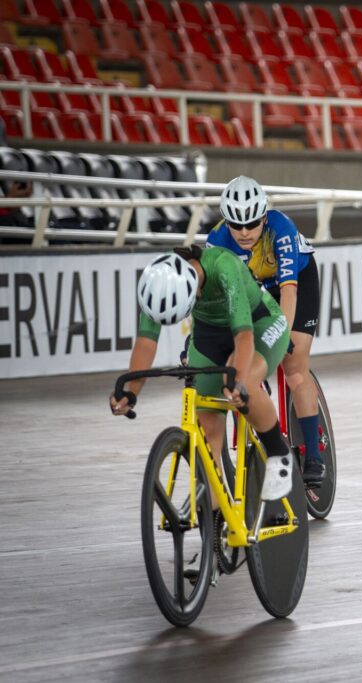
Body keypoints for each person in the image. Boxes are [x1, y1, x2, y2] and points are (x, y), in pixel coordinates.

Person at [110, 248, 294, 502]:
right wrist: (131, 391)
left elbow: (243, 336)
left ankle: (278, 451)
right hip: (210, 335)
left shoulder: (223, 267)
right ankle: (215, 511)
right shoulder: (158, 282)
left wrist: (237, 380)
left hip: (259, 323)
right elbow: (145, 342)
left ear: (194, 292)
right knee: (207, 426)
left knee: (246, 383)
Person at [206, 176, 325, 484]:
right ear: (226, 222)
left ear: (263, 217)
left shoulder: (281, 229)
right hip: (255, 292)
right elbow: (212, 300)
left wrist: (282, 334)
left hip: (295, 281)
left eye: (251, 224)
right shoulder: (217, 241)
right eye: (236, 225)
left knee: (294, 364)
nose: (244, 233)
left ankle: (314, 454)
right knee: (235, 361)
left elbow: (288, 293)